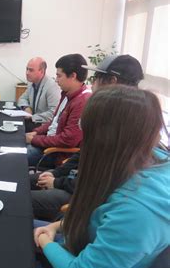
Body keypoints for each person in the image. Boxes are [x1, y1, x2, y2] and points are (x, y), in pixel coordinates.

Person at [34, 86, 169, 268]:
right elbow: (104, 215)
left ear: (104, 138)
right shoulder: (150, 158)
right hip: (78, 245)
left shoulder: (138, 212)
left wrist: (44, 240)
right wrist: (57, 227)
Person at [31, 54, 145, 220]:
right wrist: (56, 173)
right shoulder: (108, 112)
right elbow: (84, 153)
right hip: (76, 181)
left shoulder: (122, 124)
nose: (93, 83)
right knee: (22, 182)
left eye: (97, 77)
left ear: (112, 81)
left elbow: (98, 182)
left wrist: (57, 182)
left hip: (86, 198)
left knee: (20, 199)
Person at [26, 53, 91, 167]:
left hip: (55, 152)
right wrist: (36, 132)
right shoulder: (67, 94)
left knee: (16, 157)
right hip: (48, 142)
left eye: (59, 76)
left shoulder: (82, 101)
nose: (56, 80)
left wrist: (35, 139)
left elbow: (67, 140)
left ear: (73, 76)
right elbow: (54, 121)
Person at [17, 57, 61, 132]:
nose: (27, 73)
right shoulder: (32, 82)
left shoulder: (52, 86)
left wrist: (32, 117)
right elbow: (22, 98)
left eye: (31, 70)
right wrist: (26, 107)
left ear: (42, 71)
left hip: (43, 126)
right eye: (27, 69)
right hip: (32, 122)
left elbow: (54, 113)